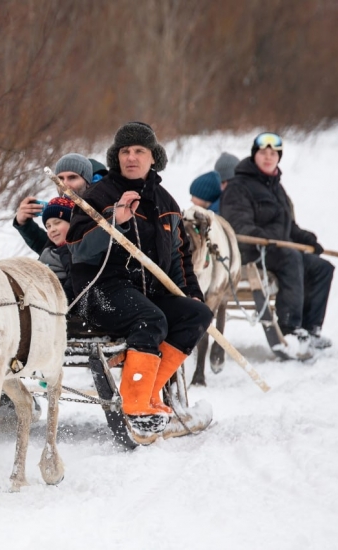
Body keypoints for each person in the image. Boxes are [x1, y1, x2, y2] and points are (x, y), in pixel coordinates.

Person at [66, 122, 212, 438]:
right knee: (151, 319)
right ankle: (135, 407)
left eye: (139, 151)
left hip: (146, 294)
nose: (131, 157)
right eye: (125, 151)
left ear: (153, 157)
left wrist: (191, 293)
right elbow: (78, 249)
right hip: (99, 292)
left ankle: (146, 392)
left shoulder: (167, 204)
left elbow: (179, 258)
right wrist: (112, 222)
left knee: (197, 314)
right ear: (116, 157)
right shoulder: (99, 195)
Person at [219, 132, 334, 349]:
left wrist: (306, 239)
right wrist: (264, 238)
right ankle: (290, 329)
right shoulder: (239, 186)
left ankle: (311, 330)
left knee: (322, 268)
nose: (268, 157)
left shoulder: (275, 186)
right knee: (291, 258)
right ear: (255, 155)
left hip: (277, 250)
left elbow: (287, 225)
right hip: (250, 252)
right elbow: (237, 225)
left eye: (273, 153)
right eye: (263, 152)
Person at [13, 154, 107, 254]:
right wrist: (24, 225)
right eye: (60, 179)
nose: (64, 184)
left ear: (88, 182)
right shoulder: (65, 209)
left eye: (72, 177)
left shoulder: (106, 212)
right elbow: (52, 251)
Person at [37, 197, 76, 303]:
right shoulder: (50, 249)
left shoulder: (73, 250)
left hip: (58, 303)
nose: (52, 229)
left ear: (72, 222)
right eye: (48, 226)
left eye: (57, 223)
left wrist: (57, 303)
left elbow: (74, 279)